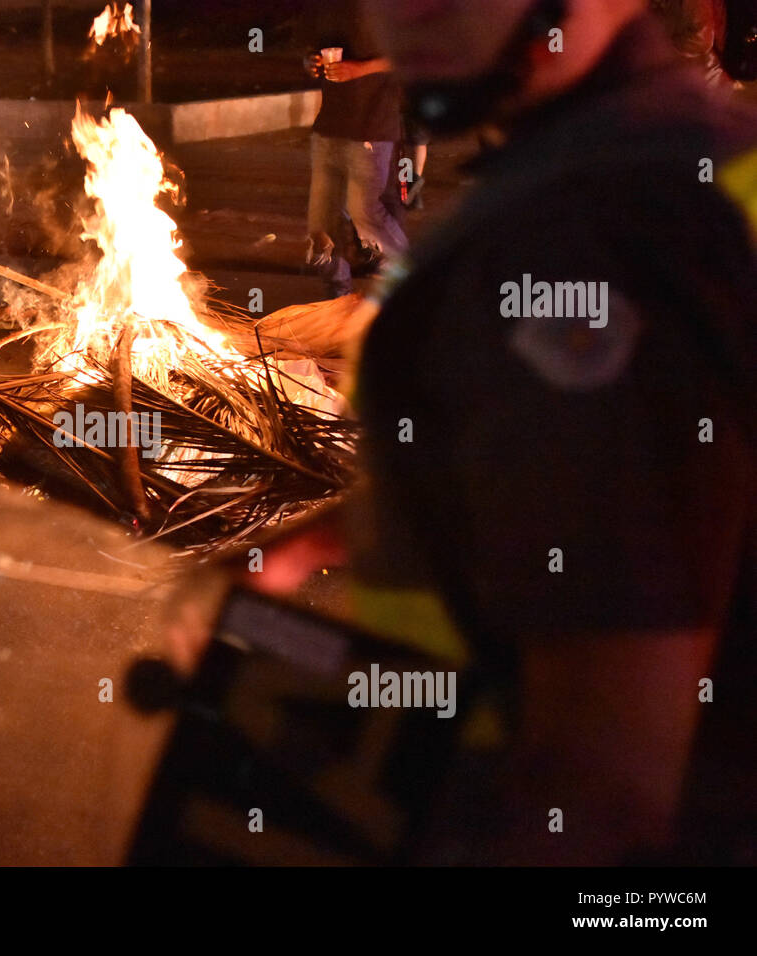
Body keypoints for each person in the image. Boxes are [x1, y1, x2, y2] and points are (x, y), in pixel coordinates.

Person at [174, 0, 757, 865]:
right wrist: (327, 537)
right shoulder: (662, 157)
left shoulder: (609, 225)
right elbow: (541, 468)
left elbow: (604, 789)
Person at [301, 0, 410, 299]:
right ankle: (337, 299)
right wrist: (312, 63)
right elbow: (311, 51)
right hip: (328, 130)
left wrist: (360, 68)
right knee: (320, 226)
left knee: (366, 215)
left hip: (371, 130)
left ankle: (415, 284)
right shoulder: (329, 8)